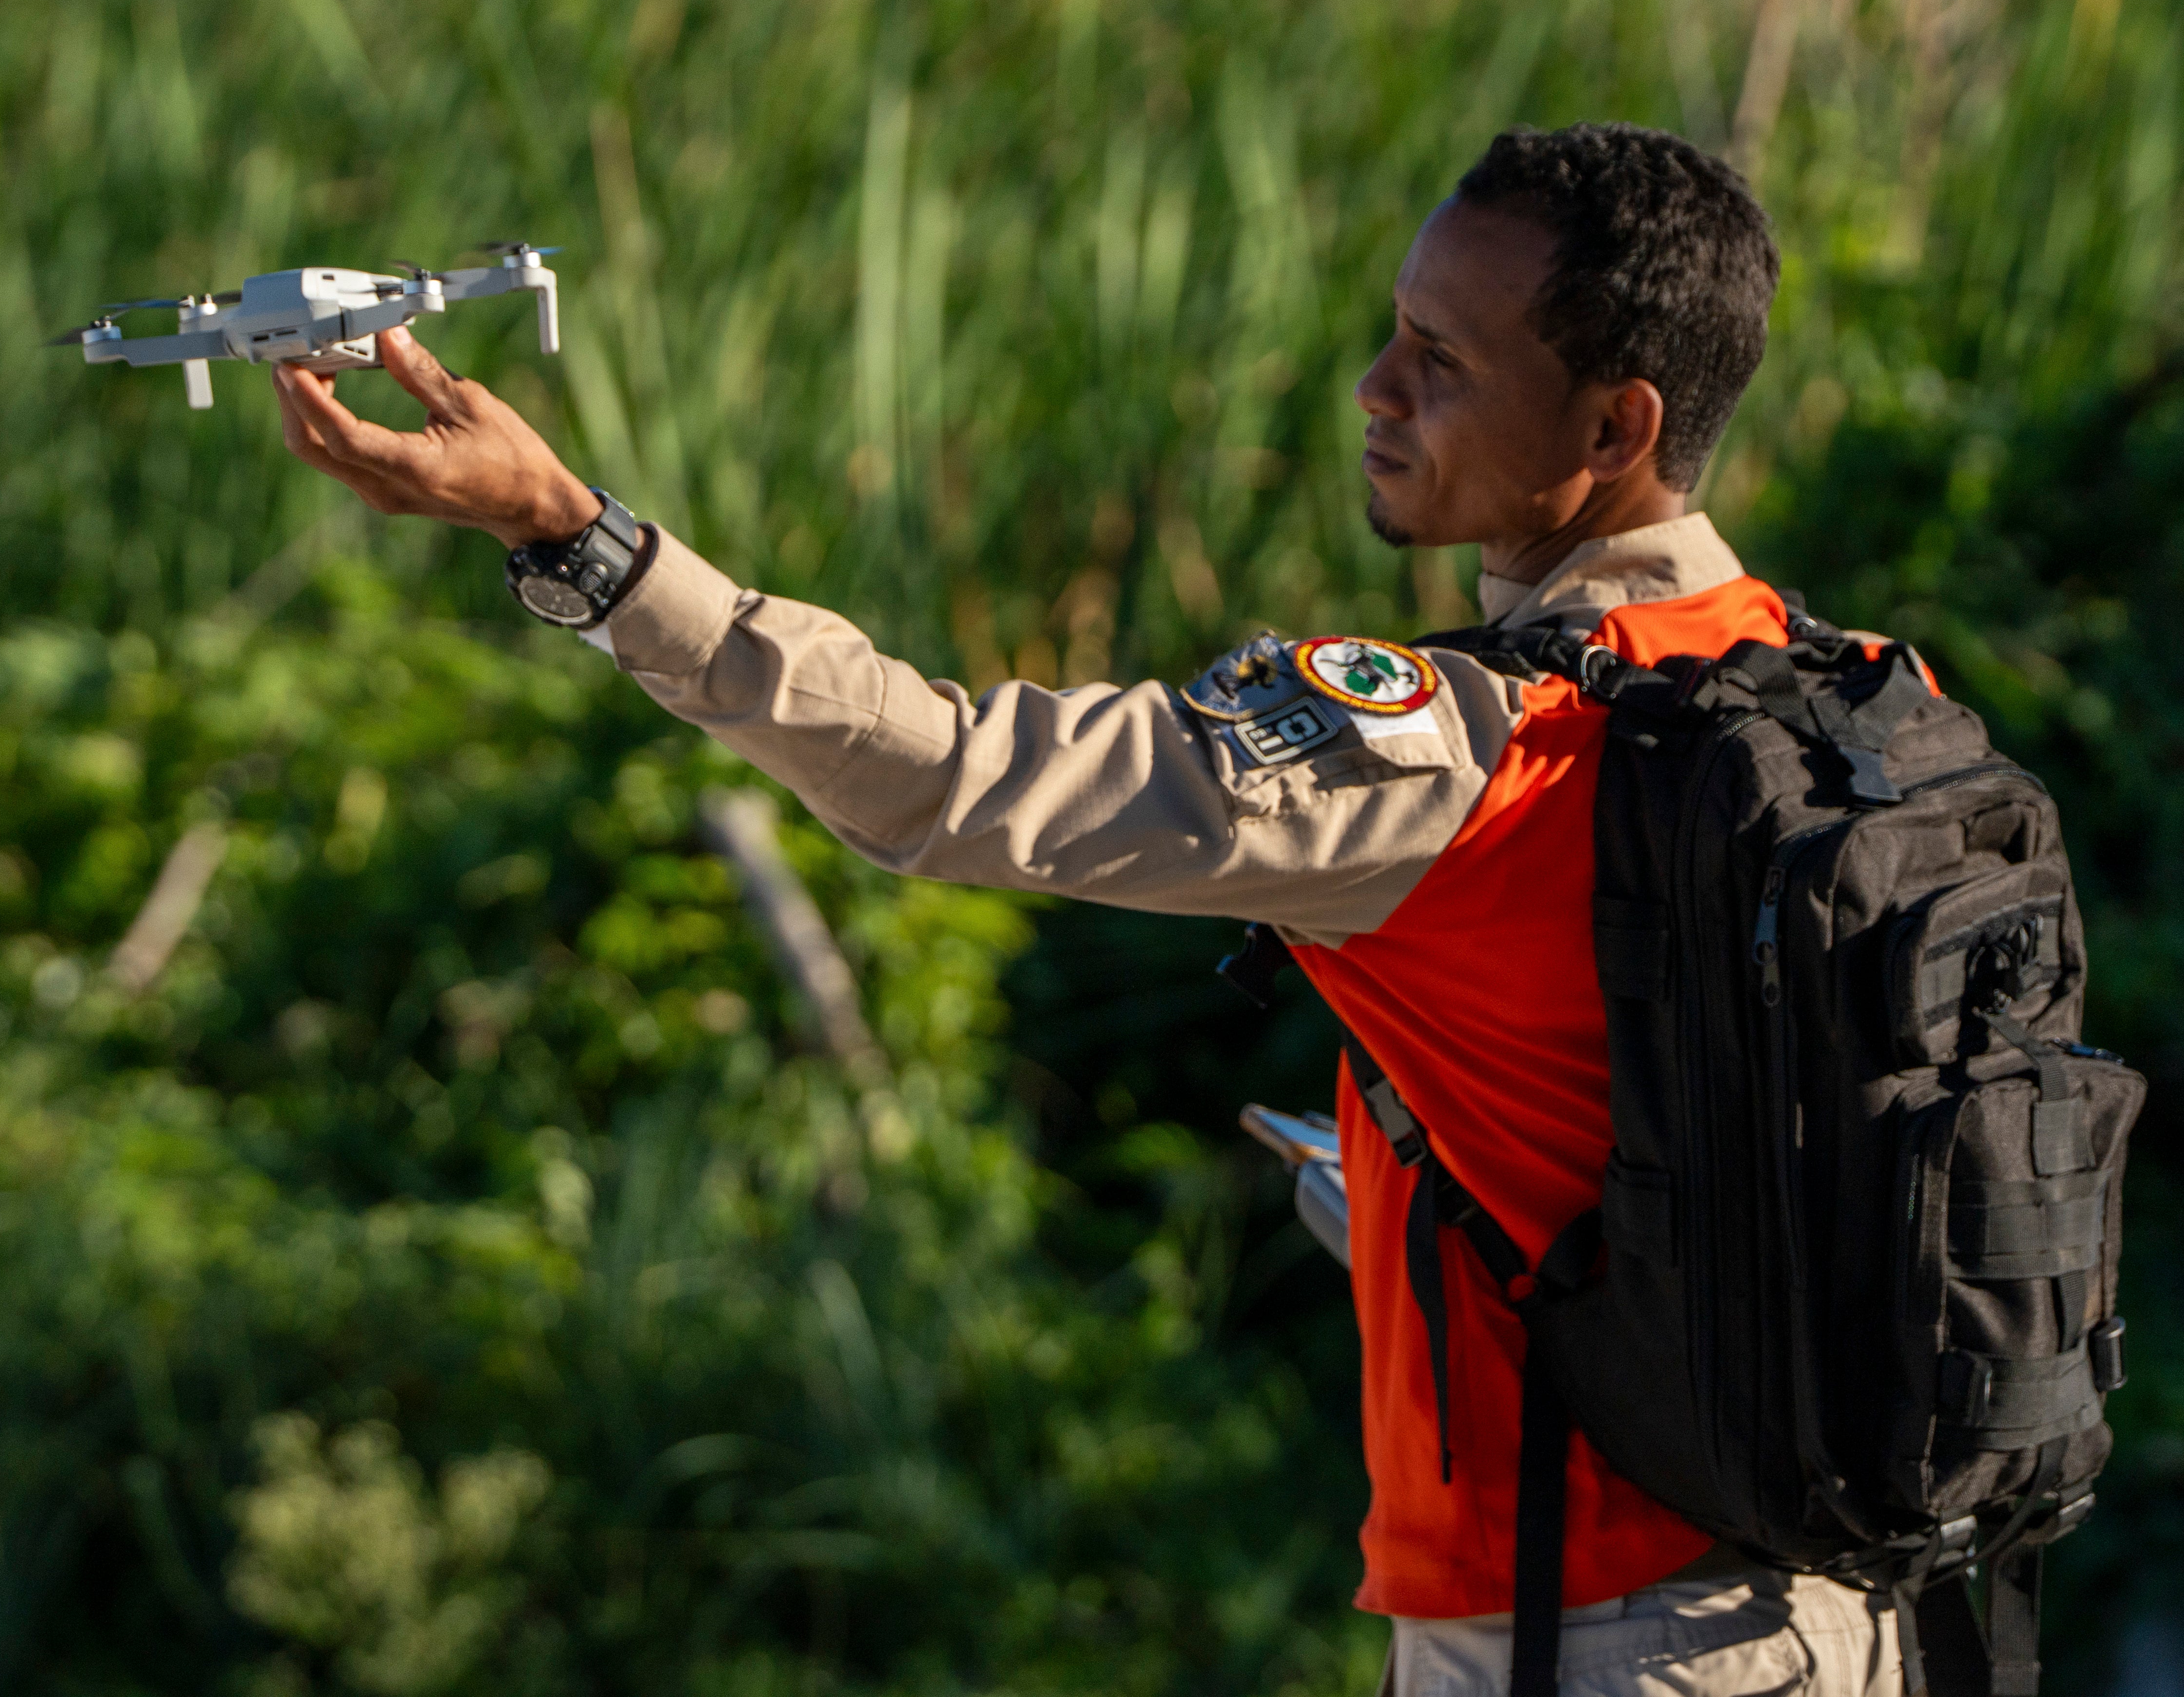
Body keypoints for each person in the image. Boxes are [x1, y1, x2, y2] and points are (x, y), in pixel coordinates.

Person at [271, 123, 1903, 1697]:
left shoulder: (1469, 752)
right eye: (1394, 334)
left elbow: (945, 776)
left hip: (1590, 1636)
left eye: (1441, 360)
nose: (1376, 389)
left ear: (1616, 433)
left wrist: (576, 539)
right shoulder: (1846, 701)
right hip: (1840, 1614)